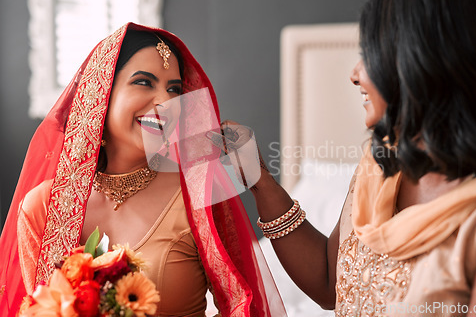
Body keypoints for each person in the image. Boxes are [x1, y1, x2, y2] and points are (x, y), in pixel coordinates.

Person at [216, 0, 476, 316]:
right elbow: (329, 282)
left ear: (417, 61)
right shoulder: (378, 166)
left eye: (368, 55)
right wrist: (260, 181)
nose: (354, 75)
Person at [0, 23, 286, 316]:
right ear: (100, 95)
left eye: (174, 89)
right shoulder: (45, 207)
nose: (166, 102)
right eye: (144, 82)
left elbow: (242, 304)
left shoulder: (197, 192)